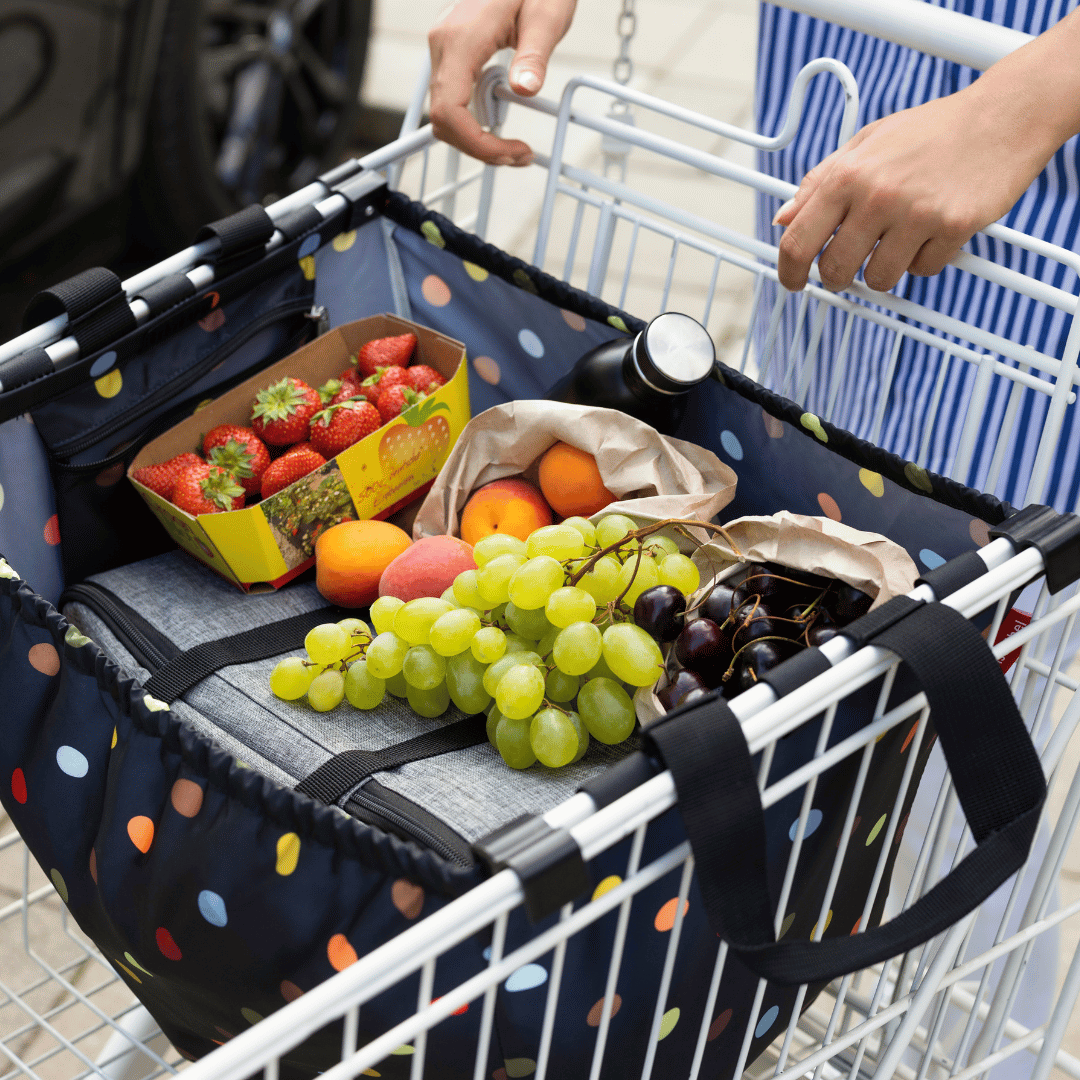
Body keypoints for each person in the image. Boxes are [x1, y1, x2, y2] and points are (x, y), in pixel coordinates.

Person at [426, 4, 1074, 1076]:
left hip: (1037, 237)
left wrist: (1031, 95)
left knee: (978, 705)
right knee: (854, 631)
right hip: (843, 126)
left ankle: (959, 1036)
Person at [427, 0, 1080, 510]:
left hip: (1044, 151)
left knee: (1003, 537)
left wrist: (1012, 110)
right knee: (814, 431)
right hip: (842, 70)